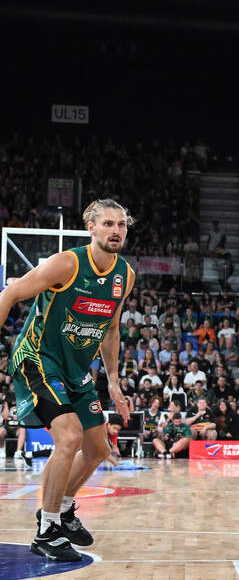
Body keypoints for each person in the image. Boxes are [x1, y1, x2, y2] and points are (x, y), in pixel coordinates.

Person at [0, 199, 135, 561]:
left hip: (76, 370)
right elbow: (10, 292)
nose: (116, 231)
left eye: (121, 225)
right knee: (70, 437)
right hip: (38, 360)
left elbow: (111, 329)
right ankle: (46, 530)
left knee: (98, 450)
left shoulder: (125, 275)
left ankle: (65, 509)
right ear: (90, 227)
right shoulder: (67, 263)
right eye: (108, 223)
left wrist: (113, 382)